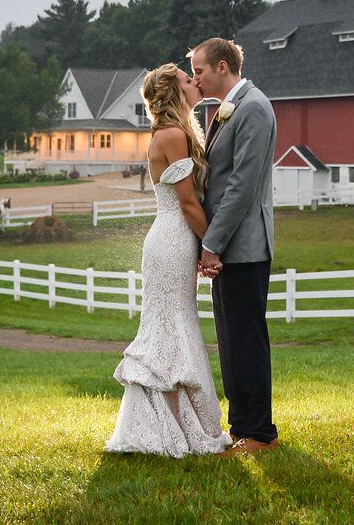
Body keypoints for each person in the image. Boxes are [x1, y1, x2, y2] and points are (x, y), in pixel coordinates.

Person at [104, 63, 231, 458]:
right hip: (173, 240)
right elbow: (189, 203)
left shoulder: (176, 131)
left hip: (175, 240)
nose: (196, 81)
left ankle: (174, 424)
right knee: (171, 327)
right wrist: (214, 245)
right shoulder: (173, 135)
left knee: (175, 325)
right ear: (176, 93)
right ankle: (171, 431)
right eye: (187, 79)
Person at [191, 38, 279, 455]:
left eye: (200, 71)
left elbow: (242, 188)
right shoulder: (227, 109)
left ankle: (260, 433)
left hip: (244, 247)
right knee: (229, 339)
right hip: (228, 248)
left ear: (222, 66)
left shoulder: (255, 108)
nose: (196, 79)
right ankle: (241, 426)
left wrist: (212, 244)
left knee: (246, 339)